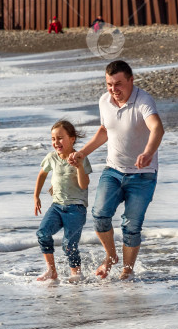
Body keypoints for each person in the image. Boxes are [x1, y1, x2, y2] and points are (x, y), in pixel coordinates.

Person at [68, 60, 164, 280]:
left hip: (143, 176)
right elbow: (105, 130)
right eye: (109, 84)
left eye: (118, 84)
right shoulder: (105, 101)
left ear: (131, 80)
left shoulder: (143, 101)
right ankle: (110, 257)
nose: (114, 90)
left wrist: (148, 152)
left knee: (131, 226)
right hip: (113, 170)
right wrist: (83, 152)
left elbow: (157, 128)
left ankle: (126, 273)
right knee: (100, 215)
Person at [34, 120, 92, 282]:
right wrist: (36, 196)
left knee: (69, 244)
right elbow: (42, 174)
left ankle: (76, 273)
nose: (56, 142)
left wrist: (79, 166)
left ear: (72, 139)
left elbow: (84, 185)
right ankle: (51, 271)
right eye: (53, 139)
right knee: (43, 233)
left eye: (60, 138)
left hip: (76, 209)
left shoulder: (80, 157)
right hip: (57, 207)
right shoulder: (51, 157)